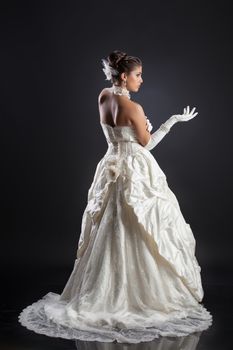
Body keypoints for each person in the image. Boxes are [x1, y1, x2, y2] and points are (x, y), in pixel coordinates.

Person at [18, 50, 213, 344]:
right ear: (124, 76)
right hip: (134, 170)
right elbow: (145, 146)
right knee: (138, 227)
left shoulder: (103, 96)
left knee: (111, 228)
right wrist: (169, 122)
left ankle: (103, 290)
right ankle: (136, 295)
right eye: (138, 75)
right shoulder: (133, 108)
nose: (142, 80)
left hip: (110, 165)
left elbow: (114, 133)